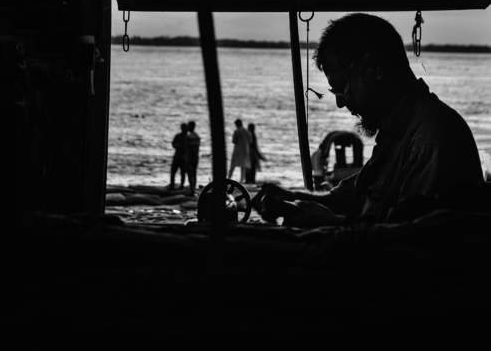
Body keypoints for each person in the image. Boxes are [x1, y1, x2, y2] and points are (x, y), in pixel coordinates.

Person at [254, 13, 485, 227]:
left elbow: (405, 242)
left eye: (343, 87)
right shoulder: (396, 132)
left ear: (374, 69)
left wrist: (327, 222)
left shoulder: (434, 138)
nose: (340, 102)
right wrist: (293, 198)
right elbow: (356, 196)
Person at [228, 119, 252, 183]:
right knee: (243, 166)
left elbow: (234, 141)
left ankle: (229, 178)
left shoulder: (236, 131)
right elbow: (250, 141)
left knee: (233, 165)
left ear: (237, 124)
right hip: (245, 150)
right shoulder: (247, 132)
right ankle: (242, 180)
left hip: (237, 150)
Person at [169, 123, 188, 190]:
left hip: (183, 157)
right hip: (178, 156)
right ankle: (172, 185)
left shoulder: (188, 137)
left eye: (185, 128)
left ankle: (181, 186)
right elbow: (173, 144)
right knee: (174, 171)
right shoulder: (178, 136)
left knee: (182, 172)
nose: (184, 129)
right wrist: (178, 146)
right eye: (183, 128)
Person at [185, 120, 200, 196]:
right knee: (194, 174)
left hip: (190, 158)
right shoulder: (197, 136)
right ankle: (193, 189)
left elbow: (187, 148)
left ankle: (192, 190)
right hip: (196, 157)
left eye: (188, 126)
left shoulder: (189, 137)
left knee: (190, 174)